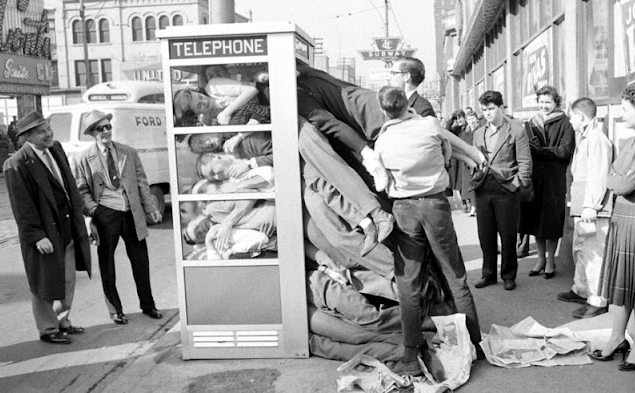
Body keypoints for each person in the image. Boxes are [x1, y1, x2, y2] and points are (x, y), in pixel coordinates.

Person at [375, 86, 482, 375]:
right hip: (435, 205)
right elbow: (449, 150)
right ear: (406, 105)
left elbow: (381, 183)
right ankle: (475, 342)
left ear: (384, 110)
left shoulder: (382, 140)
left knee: (408, 282)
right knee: (455, 274)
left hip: (404, 210)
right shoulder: (429, 125)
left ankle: (411, 351)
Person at [3, 111, 92, 344]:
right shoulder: (16, 164)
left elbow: (70, 186)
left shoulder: (56, 149)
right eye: (42, 131)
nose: (48, 134)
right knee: (42, 282)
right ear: (27, 137)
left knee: (67, 279)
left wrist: (83, 220)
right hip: (44, 234)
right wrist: (36, 236)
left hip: (67, 228)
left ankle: (63, 321)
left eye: (48, 128)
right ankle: (48, 328)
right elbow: (22, 207)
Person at [73, 110, 163, 325]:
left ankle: (148, 305)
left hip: (131, 212)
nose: (105, 131)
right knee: (107, 263)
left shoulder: (128, 152)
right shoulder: (83, 158)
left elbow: (141, 180)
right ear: (92, 133)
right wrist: (95, 211)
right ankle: (115, 310)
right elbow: (80, 190)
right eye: (100, 128)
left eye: (108, 127)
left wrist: (149, 207)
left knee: (141, 261)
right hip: (106, 214)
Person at [590, 83, 635, 370]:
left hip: (633, 221)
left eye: (626, 108)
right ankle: (616, 337)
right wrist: (617, 177)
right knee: (621, 287)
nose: (621, 113)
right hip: (624, 219)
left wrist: (617, 177)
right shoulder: (630, 142)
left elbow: (623, 182)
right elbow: (614, 179)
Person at [556, 98, 612, 319]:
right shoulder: (585, 137)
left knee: (594, 255)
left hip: (591, 208)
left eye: (571, 116)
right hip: (581, 206)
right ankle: (581, 289)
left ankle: (597, 301)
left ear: (580, 116)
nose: (570, 121)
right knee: (581, 250)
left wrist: (591, 206)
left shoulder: (597, 140)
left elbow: (598, 175)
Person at [472, 91, 532, 291]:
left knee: (507, 235)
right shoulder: (479, 133)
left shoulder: (515, 130)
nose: (488, 113)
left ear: (501, 107)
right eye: (485, 110)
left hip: (506, 187)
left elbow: (524, 161)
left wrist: (517, 184)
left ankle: (508, 274)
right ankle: (488, 274)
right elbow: (472, 159)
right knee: (485, 234)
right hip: (483, 188)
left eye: (491, 109)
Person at [520, 85, 575, 279]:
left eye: (548, 102)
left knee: (551, 219)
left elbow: (565, 151)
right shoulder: (531, 123)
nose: (544, 106)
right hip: (536, 176)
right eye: (541, 102)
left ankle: (551, 259)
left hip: (554, 177)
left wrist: (541, 151)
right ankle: (540, 259)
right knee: (536, 219)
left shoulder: (565, 123)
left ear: (556, 102)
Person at [461, 111, 480, 216]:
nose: (471, 121)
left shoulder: (481, 130)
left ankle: (476, 207)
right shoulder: (465, 133)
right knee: (471, 185)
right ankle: (473, 207)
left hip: (479, 161)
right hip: (468, 163)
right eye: (469, 119)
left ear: (477, 119)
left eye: (473, 119)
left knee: (478, 185)